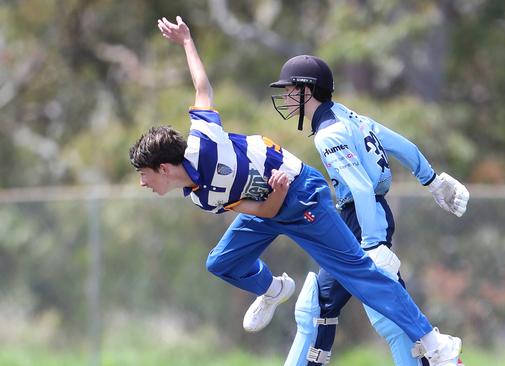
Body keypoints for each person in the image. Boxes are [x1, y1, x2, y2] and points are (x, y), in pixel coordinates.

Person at [130, 16, 463, 366]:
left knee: (361, 276)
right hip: (269, 203)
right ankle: (273, 289)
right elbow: (260, 211)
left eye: (144, 175)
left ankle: (434, 342)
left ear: (164, 168)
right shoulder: (200, 195)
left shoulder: (205, 140)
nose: (142, 183)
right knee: (220, 261)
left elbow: (202, 88)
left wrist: (187, 42)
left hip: (302, 196)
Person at [269, 55, 469, 366]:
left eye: (291, 88)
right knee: (317, 306)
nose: (286, 96)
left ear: (308, 90)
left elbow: (360, 187)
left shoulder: (328, 134)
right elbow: (403, 145)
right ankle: (437, 353)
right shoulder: (351, 117)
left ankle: (440, 354)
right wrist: (431, 180)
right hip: (364, 217)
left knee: (383, 313)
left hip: (362, 220)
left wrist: (373, 242)